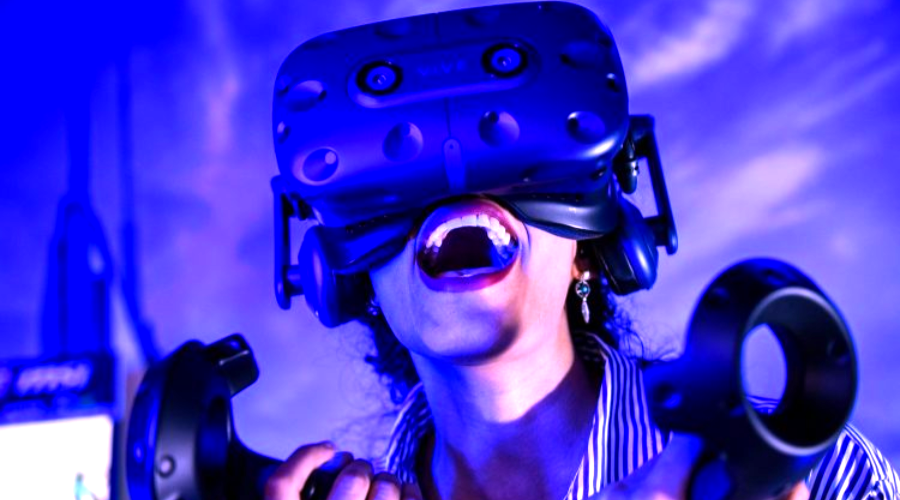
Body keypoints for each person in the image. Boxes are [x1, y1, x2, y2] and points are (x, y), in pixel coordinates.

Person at [264, 4, 899, 500]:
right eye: (395, 191)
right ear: (348, 279)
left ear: (591, 249)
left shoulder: (808, 469)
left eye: (522, 169)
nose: (455, 193)